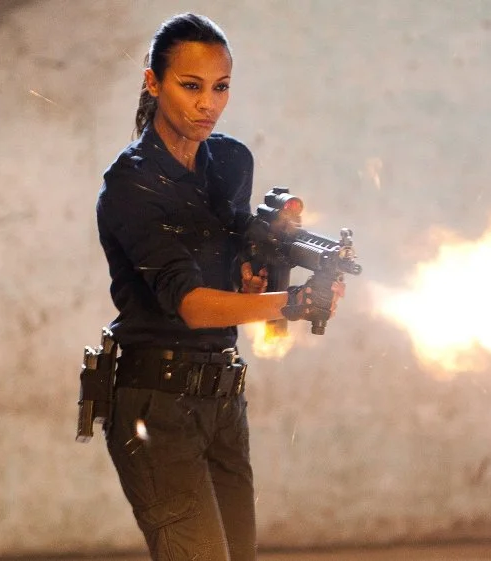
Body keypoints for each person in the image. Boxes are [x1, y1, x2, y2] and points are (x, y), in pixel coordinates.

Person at [95, 13, 343, 560]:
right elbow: (190, 305)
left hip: (223, 401)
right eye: (191, 86)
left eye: (221, 87)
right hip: (155, 406)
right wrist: (293, 301)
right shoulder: (130, 187)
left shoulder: (231, 161)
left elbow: (230, 260)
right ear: (152, 83)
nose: (208, 103)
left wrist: (257, 271)